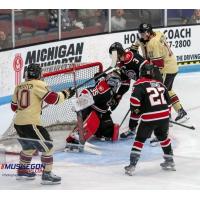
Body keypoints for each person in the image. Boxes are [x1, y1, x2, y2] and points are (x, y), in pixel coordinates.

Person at [11, 63, 75, 184]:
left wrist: (32, 105)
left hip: (18, 123)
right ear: (38, 74)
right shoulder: (39, 84)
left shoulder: (18, 87)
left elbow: (14, 107)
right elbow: (54, 99)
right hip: (31, 123)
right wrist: (66, 94)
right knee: (48, 145)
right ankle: (47, 175)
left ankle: (23, 171)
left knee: (28, 147)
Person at [130, 23, 189, 123]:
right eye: (140, 34)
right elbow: (134, 49)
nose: (141, 36)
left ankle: (167, 116)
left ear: (148, 33)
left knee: (162, 91)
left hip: (166, 68)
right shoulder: (155, 34)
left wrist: (148, 73)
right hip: (171, 65)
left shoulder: (154, 43)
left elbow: (159, 65)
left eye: (142, 34)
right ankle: (181, 111)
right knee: (168, 90)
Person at [124, 64, 175, 176]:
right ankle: (170, 161)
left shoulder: (139, 84)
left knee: (139, 140)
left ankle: (132, 165)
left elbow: (134, 101)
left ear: (142, 73)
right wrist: (165, 114)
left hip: (150, 118)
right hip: (164, 116)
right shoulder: (160, 84)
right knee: (163, 138)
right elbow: (169, 102)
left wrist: (138, 111)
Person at [108, 42, 162, 139]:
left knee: (152, 106)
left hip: (154, 78)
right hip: (143, 83)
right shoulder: (122, 65)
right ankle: (132, 129)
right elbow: (125, 84)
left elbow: (148, 69)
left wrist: (142, 86)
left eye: (113, 55)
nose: (112, 58)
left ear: (118, 53)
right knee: (135, 105)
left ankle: (160, 132)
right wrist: (118, 96)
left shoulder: (131, 57)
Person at [65, 71, 121, 149]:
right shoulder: (104, 91)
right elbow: (89, 94)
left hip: (100, 110)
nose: (117, 85)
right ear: (112, 82)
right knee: (91, 123)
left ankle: (97, 131)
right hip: (90, 108)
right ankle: (76, 137)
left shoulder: (104, 81)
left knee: (109, 132)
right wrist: (79, 104)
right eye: (117, 83)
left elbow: (97, 75)